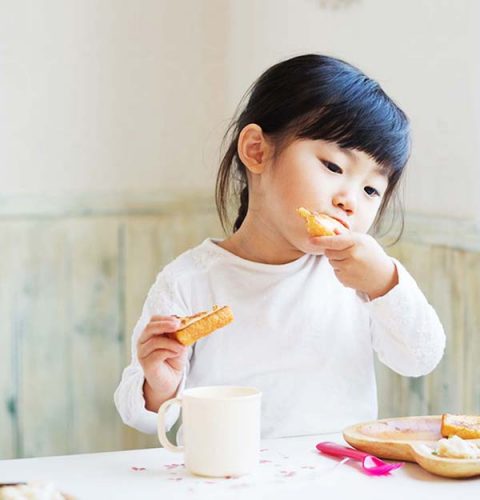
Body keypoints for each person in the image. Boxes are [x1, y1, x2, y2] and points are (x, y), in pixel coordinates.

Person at [114, 54, 446, 438]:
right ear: (257, 151)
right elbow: (140, 416)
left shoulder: (359, 279)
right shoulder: (189, 280)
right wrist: (159, 384)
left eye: (371, 189)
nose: (349, 200)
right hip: (224, 469)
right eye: (334, 167)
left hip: (338, 469)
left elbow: (420, 357)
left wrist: (385, 283)